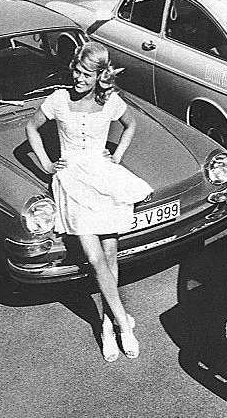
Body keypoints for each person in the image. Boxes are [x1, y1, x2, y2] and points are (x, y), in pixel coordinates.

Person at [25, 42, 152, 362]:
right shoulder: (58, 99)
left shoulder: (111, 102)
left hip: (104, 179)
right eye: (77, 72)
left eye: (86, 74)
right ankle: (123, 324)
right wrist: (46, 164)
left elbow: (131, 124)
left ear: (100, 76)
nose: (79, 79)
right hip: (71, 182)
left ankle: (107, 326)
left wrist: (117, 156)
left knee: (110, 254)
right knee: (94, 258)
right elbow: (31, 127)